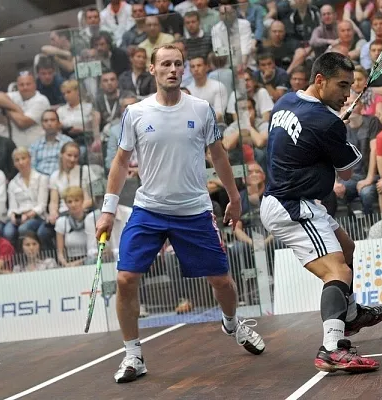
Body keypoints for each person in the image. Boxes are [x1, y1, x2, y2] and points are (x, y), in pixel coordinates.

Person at [95, 43, 265, 384]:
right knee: (126, 279)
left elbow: (218, 156)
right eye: (166, 64)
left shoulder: (201, 110)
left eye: (178, 64)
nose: (173, 69)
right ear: (154, 70)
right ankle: (133, 355)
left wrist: (234, 197)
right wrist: (108, 210)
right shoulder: (136, 113)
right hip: (149, 210)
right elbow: (120, 162)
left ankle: (232, 323)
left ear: (184, 70)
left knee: (222, 282)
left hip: (194, 212)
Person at [260, 52, 382, 374]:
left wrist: (333, 129)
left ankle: (350, 314)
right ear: (320, 80)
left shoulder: (285, 102)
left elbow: (304, 139)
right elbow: (347, 172)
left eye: (350, 86)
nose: (347, 94)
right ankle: (333, 349)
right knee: (338, 272)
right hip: (292, 204)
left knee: (347, 249)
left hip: (289, 199)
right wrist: (338, 132)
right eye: (342, 86)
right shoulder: (328, 122)